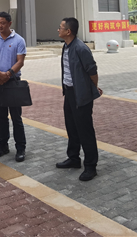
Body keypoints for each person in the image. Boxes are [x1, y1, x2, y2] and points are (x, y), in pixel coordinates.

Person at [56, 17, 103, 181]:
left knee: (85, 130)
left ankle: (91, 166)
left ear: (68, 31)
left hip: (81, 94)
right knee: (72, 127)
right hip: (69, 93)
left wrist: (92, 88)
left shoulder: (80, 48)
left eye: (61, 27)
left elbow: (92, 71)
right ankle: (74, 158)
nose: (58, 30)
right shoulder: (66, 46)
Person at [0, 12, 27, 162]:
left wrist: (8, 74)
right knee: (1, 116)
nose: (0, 26)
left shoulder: (19, 40)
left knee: (16, 117)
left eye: (2, 23)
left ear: (10, 23)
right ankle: (3, 145)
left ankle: (20, 147)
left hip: (13, 82)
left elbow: (20, 61)